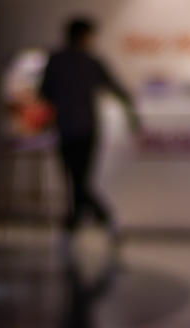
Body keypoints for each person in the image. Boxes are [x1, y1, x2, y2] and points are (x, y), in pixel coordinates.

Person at [39, 17, 139, 237]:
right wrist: (133, 112)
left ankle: (75, 219)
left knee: (73, 177)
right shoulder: (90, 62)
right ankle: (100, 216)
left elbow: (44, 91)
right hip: (85, 128)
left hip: (66, 127)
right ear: (83, 36)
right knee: (80, 178)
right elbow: (116, 88)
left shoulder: (56, 61)